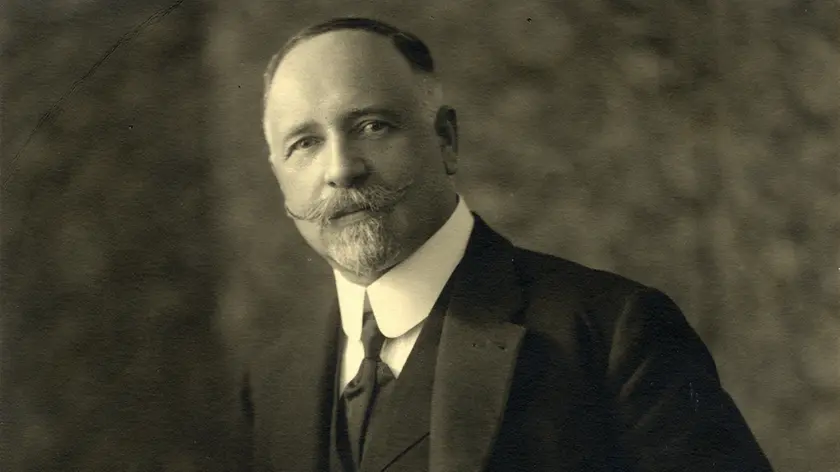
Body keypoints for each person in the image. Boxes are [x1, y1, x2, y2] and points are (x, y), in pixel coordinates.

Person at [242, 16, 774, 472]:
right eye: (305, 143)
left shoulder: (613, 333)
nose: (341, 169)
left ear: (446, 139)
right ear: (277, 174)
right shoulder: (272, 381)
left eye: (372, 126)